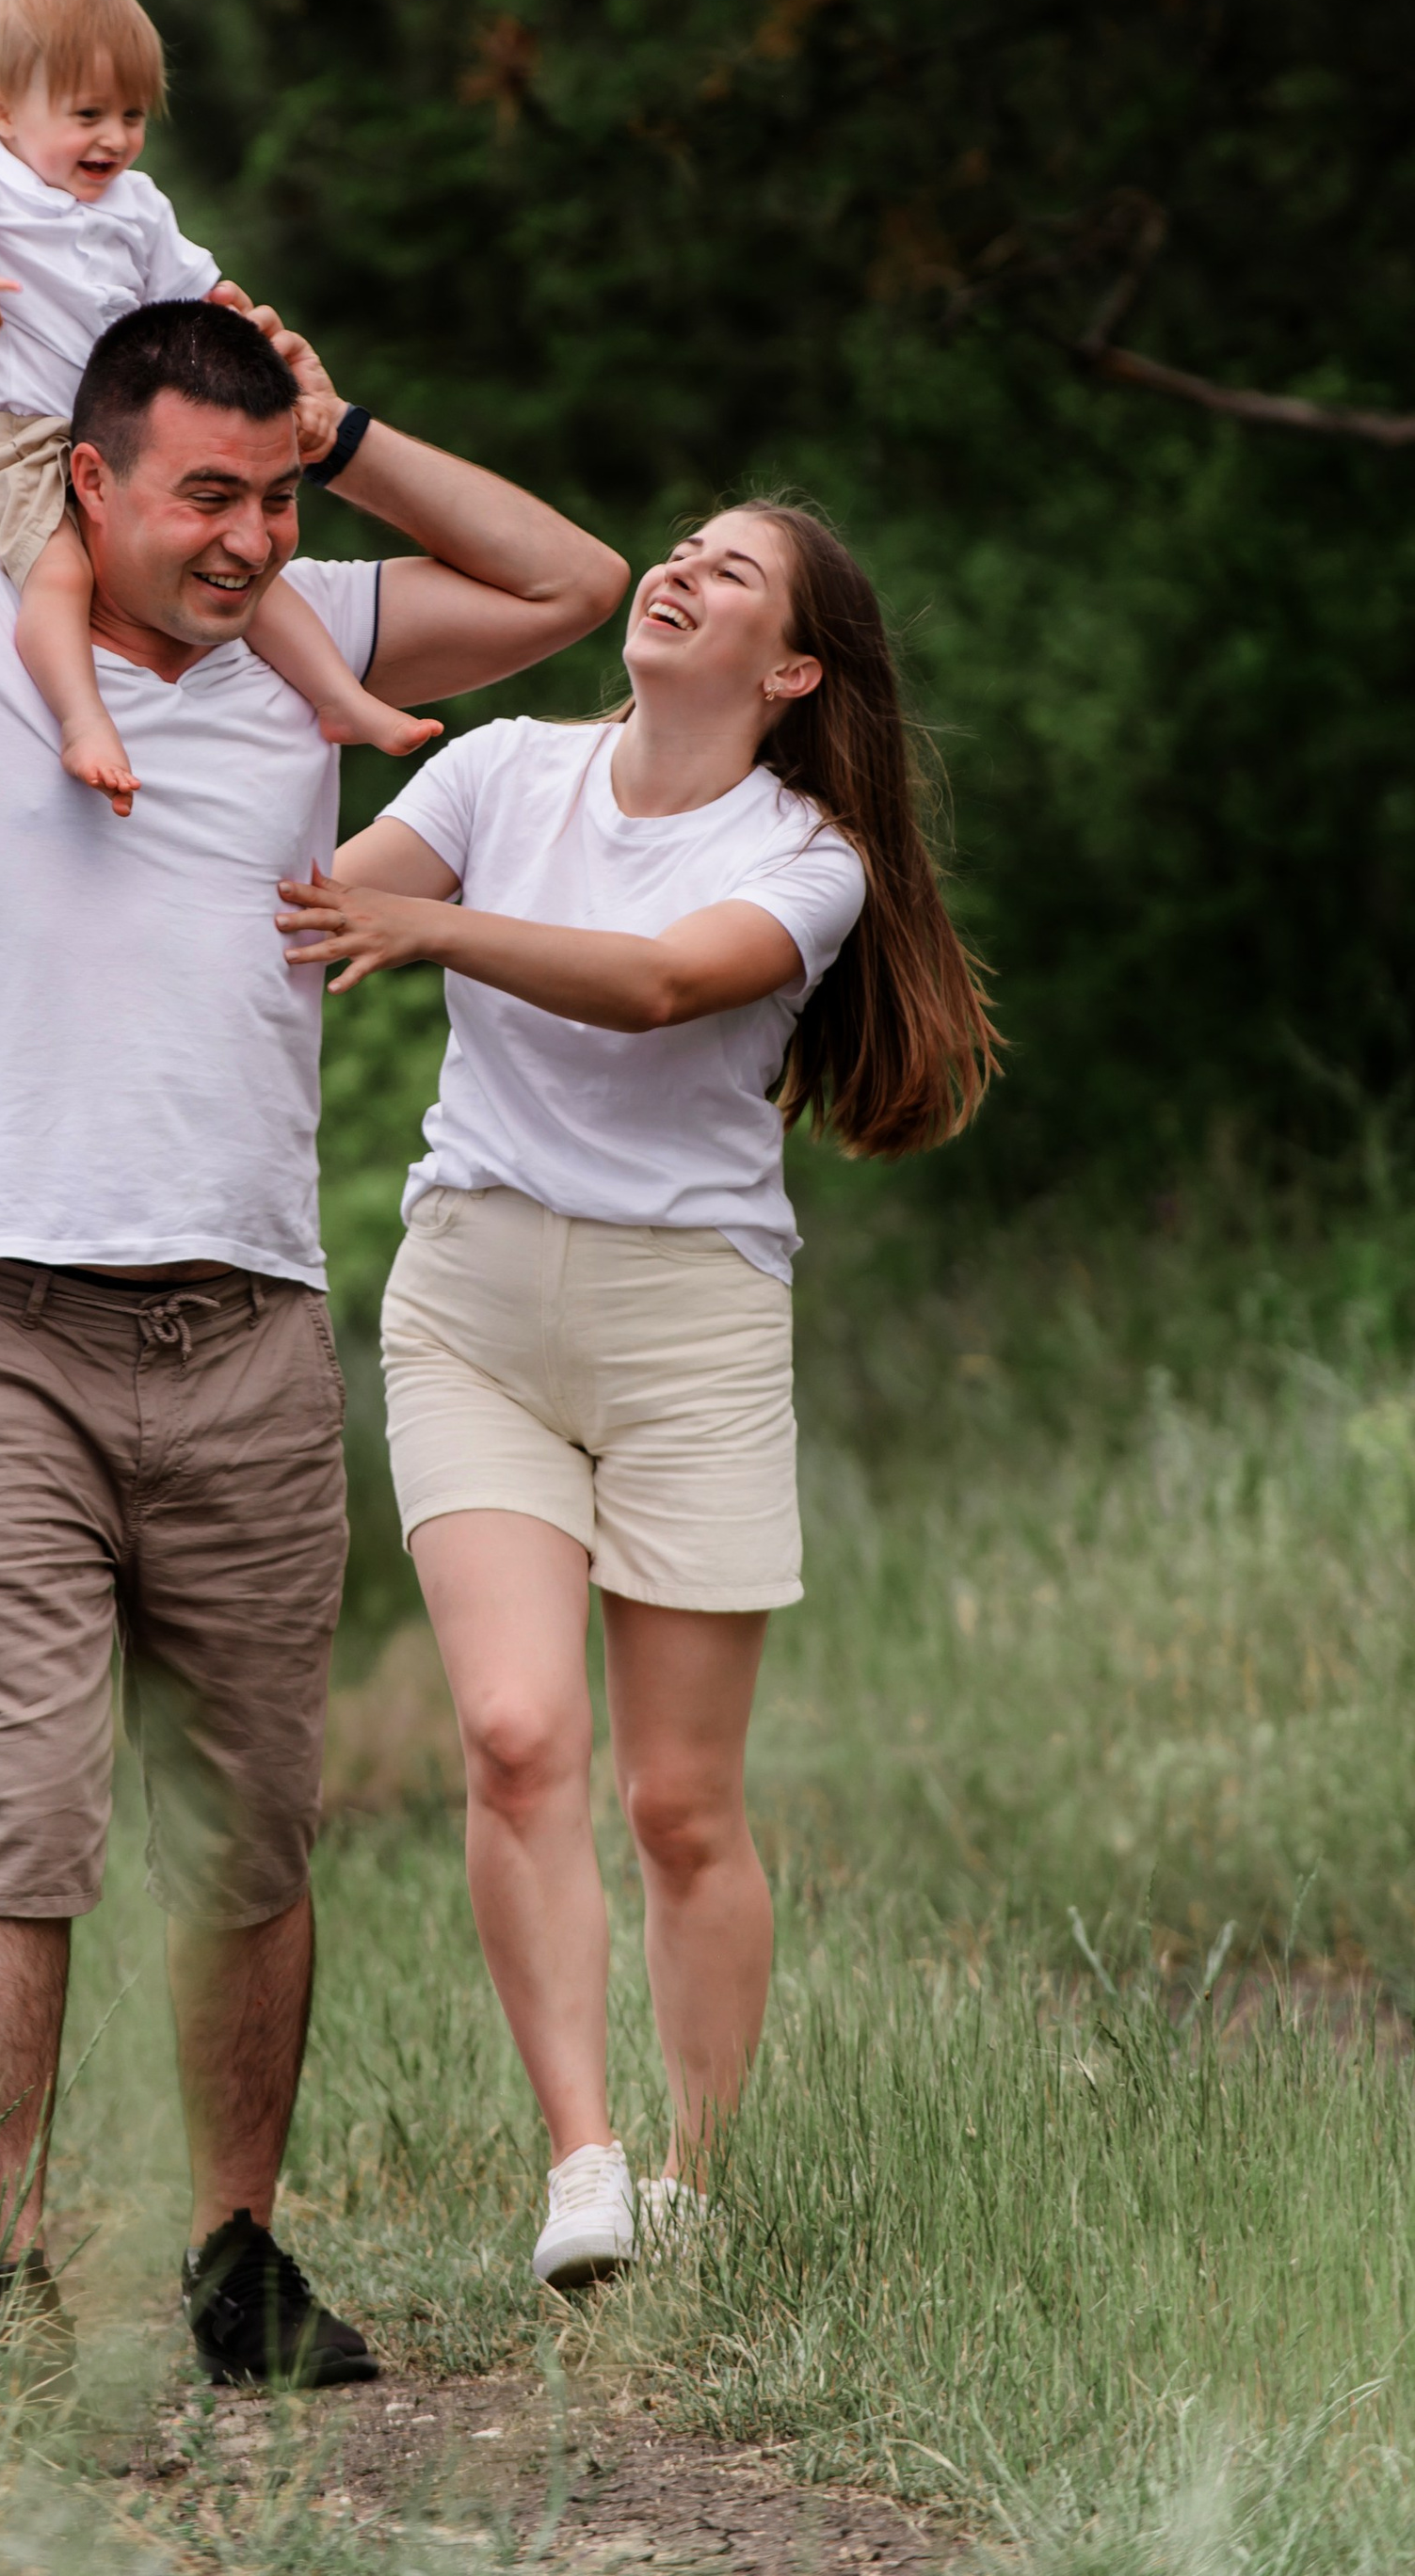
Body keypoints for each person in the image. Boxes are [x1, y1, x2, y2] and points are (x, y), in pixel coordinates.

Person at [0, 184, 629, 2381]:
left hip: (247, 1318)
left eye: (272, 499)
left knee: (249, 1809)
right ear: (85, 475)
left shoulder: (315, 629)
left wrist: (337, 425)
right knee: (11, 1807)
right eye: (208, 493)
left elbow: (581, 586)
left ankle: (230, 2255)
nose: (249, 539)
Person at [277, 499, 999, 2288]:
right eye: (675, 548)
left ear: (794, 666)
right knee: (519, 1737)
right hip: (474, 1303)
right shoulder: (504, 772)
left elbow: (671, 983)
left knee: (682, 1801)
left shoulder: (810, 852)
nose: (674, 569)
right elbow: (310, 901)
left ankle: (690, 2170)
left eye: (729, 572)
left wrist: (443, 935)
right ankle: (581, 2159)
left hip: (690, 1330)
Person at [0, 0, 438, 815]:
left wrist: (244, 330)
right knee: (59, 575)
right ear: (3, 113)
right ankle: (82, 719)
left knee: (258, 579)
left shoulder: (137, 204)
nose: (113, 137)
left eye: (132, 115)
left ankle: (338, 696)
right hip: (21, 444)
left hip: (125, 436)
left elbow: (196, 292)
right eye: (87, 115)